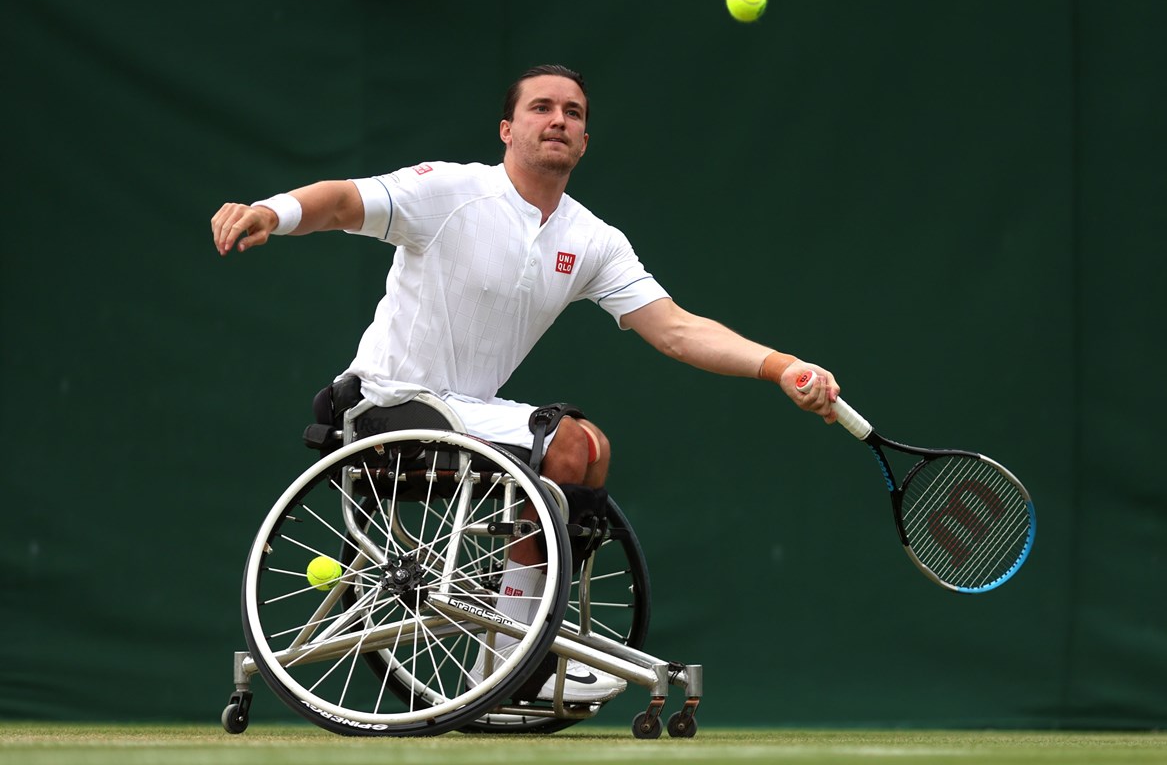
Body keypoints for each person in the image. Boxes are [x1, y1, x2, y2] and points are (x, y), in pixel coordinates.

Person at [211, 64, 841, 703]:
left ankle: (513, 655)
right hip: (387, 405)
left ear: (585, 140)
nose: (559, 120)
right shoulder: (449, 190)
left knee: (584, 451)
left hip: (468, 417)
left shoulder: (593, 240)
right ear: (509, 129)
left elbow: (675, 329)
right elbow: (344, 201)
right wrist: (274, 211)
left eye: (573, 113)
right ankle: (522, 661)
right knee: (573, 445)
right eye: (542, 108)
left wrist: (779, 365)